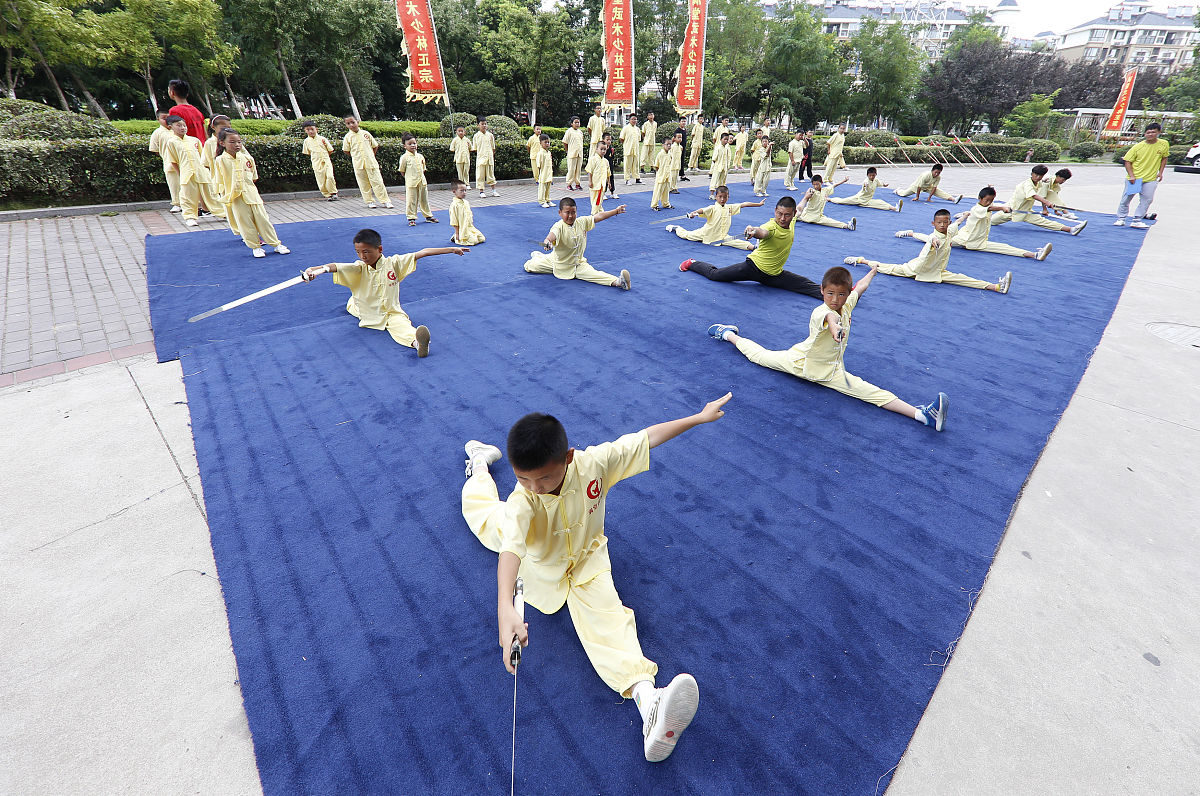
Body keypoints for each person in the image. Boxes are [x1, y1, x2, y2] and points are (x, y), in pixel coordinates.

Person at [460, 393, 734, 762]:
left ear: (568, 459)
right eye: (522, 477)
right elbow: (510, 550)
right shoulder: (522, 501)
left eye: (543, 478)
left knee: (609, 616)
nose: (534, 487)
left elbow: (644, 438)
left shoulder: (594, 463)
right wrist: (505, 609)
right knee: (479, 512)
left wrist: (697, 419)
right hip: (536, 560)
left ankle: (649, 702)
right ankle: (478, 464)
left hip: (588, 560)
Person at [705, 266, 949, 430]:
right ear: (821, 291)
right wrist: (835, 328)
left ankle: (923, 416)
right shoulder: (821, 311)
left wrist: (873, 270)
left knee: (870, 392)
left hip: (832, 370)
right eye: (830, 293)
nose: (835, 299)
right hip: (800, 363)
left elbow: (860, 287)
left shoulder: (848, 302)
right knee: (759, 356)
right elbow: (830, 320)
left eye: (840, 295)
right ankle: (727, 334)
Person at [300, 228, 468, 357]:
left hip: (390, 311)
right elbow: (334, 266)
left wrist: (451, 249)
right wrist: (314, 270)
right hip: (363, 309)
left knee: (401, 325)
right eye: (358, 252)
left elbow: (422, 252)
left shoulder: (394, 263)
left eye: (366, 251)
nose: (362, 256)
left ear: (379, 249)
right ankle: (354, 302)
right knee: (352, 305)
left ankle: (417, 343)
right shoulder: (358, 268)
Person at [679, 195, 822, 299]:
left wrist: (806, 197)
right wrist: (753, 231)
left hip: (774, 275)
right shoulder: (771, 227)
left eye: (787, 215)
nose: (782, 218)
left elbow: (800, 207)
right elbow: (762, 232)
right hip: (753, 268)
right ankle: (693, 263)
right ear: (775, 211)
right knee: (715, 275)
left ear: (793, 215)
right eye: (779, 214)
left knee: (807, 285)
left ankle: (838, 298)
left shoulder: (792, 220)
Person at [846, 208, 1010, 293]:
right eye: (939, 223)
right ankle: (862, 260)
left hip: (938, 270)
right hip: (916, 269)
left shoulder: (950, 230)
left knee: (961, 279)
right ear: (933, 224)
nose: (943, 225)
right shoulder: (934, 237)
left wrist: (965, 215)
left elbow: (956, 224)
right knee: (885, 268)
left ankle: (995, 287)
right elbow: (933, 239)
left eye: (945, 222)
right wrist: (935, 241)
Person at [898, 186, 1050, 261]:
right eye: (986, 200)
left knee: (1006, 248)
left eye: (991, 200)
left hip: (978, 240)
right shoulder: (978, 208)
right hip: (965, 240)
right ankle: (911, 233)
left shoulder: (982, 207)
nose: (989, 203)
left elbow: (988, 208)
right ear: (979, 199)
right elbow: (988, 208)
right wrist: (1002, 207)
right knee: (932, 239)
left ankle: (1035, 254)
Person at [212, 129, 290, 258]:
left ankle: (276, 244)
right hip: (235, 197)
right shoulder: (220, 160)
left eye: (239, 142)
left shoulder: (247, 158)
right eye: (232, 142)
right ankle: (255, 247)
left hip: (252, 194)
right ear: (222, 143)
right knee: (245, 223)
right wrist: (224, 196)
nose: (237, 145)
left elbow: (253, 177)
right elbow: (219, 180)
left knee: (263, 220)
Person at [523, 198, 631, 290]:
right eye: (567, 213)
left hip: (578, 264)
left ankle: (619, 282)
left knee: (593, 274)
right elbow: (550, 236)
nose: (570, 216)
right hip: (559, 263)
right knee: (529, 266)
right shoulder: (558, 226)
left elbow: (598, 216)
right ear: (560, 213)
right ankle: (538, 256)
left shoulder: (582, 222)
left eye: (573, 212)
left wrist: (616, 211)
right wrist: (547, 242)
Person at [164, 114, 224, 227]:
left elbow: (202, 157)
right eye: (179, 125)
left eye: (184, 125)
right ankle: (190, 216)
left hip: (201, 171)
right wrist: (180, 174)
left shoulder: (194, 140)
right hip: (186, 173)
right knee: (188, 196)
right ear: (171, 127)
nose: (182, 128)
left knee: (211, 193)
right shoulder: (171, 142)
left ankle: (223, 212)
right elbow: (173, 161)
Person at [991, 164, 1086, 235]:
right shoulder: (1027, 184)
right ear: (1031, 174)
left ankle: (1071, 229)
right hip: (1011, 209)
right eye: (1036, 175)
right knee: (991, 221)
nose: (1037, 178)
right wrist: (1047, 203)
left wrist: (1053, 208)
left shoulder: (1039, 182)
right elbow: (1033, 195)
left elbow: (1042, 187)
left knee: (1044, 222)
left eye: (1040, 176)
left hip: (1025, 211)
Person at [665, 185, 762, 249]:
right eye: (720, 197)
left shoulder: (730, 207)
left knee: (734, 241)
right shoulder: (712, 208)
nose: (722, 199)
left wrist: (758, 204)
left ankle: (753, 247)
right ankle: (676, 228)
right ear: (716, 197)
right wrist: (693, 213)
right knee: (686, 235)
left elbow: (744, 204)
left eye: (725, 197)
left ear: (728, 197)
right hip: (706, 234)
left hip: (722, 236)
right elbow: (702, 210)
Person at [1115, 123, 1170, 229]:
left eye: (1153, 132)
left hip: (1151, 178)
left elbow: (1164, 157)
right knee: (1126, 199)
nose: (1150, 134)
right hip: (1136, 178)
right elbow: (1127, 161)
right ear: (1145, 134)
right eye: (1148, 132)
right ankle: (1121, 218)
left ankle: (1137, 220)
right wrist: (1131, 176)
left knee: (1147, 199)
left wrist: (1160, 172)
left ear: (1158, 132)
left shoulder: (1164, 144)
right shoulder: (1138, 147)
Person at [342, 116, 392, 209]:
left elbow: (375, 146)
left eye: (353, 122)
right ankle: (370, 201)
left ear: (357, 122)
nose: (351, 125)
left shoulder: (366, 134)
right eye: (348, 123)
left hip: (371, 163)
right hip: (358, 164)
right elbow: (346, 150)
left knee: (378, 182)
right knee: (363, 184)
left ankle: (385, 201)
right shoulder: (347, 137)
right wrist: (355, 156)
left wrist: (371, 155)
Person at [398, 133, 437, 226]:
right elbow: (402, 171)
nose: (412, 145)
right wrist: (409, 178)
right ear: (405, 146)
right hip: (411, 183)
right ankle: (411, 218)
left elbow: (423, 169)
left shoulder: (420, 156)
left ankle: (428, 216)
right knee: (411, 200)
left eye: (414, 143)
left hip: (422, 182)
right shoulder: (404, 158)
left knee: (424, 199)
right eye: (410, 144)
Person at [148, 110, 182, 212]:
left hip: (183, 162)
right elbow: (155, 150)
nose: (167, 120)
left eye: (168, 117)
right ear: (158, 119)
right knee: (174, 184)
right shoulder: (157, 133)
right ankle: (177, 203)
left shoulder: (177, 130)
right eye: (163, 118)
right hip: (169, 163)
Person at [829, 167, 901, 212]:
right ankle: (830, 199)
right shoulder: (865, 181)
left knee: (880, 202)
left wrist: (884, 185)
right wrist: (865, 186)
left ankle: (895, 208)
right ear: (867, 175)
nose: (872, 177)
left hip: (868, 200)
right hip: (859, 199)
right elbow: (864, 186)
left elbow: (880, 183)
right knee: (842, 201)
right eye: (870, 175)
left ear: (876, 174)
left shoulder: (876, 180)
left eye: (873, 175)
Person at [301, 120, 338, 201]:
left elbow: (330, 150)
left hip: (326, 160)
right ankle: (327, 195)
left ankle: (333, 193)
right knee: (321, 179)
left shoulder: (322, 139)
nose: (310, 131)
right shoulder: (306, 141)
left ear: (316, 129)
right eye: (308, 130)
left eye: (312, 129)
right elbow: (307, 152)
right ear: (305, 131)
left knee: (330, 176)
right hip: (316, 162)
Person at [894, 163, 961, 204]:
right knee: (904, 194)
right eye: (936, 172)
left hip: (928, 187)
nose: (937, 174)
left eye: (939, 173)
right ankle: (897, 190)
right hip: (916, 186)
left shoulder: (938, 177)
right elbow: (919, 187)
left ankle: (953, 199)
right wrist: (917, 197)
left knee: (940, 192)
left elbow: (934, 188)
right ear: (932, 170)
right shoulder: (925, 175)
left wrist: (929, 198)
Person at [449, 179, 485, 245]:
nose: (464, 193)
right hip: (462, 229)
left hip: (469, 227)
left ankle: (467, 234)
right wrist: (457, 233)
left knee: (481, 238)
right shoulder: (454, 205)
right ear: (454, 191)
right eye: (461, 191)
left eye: (465, 190)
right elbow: (454, 220)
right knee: (473, 241)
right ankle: (455, 237)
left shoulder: (466, 202)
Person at [472, 117, 499, 198]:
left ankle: (494, 191)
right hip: (481, 159)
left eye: (485, 124)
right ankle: (481, 191)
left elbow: (493, 148)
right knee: (480, 176)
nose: (484, 126)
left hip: (489, 159)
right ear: (478, 125)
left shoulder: (490, 135)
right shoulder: (476, 136)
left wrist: (491, 156)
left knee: (491, 175)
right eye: (482, 124)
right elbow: (475, 149)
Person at [586, 140, 612, 214]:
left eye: (605, 149)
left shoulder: (606, 161)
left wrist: (609, 183)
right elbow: (590, 171)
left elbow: (608, 173)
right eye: (601, 149)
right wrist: (590, 181)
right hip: (595, 183)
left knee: (599, 199)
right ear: (596, 149)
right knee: (595, 199)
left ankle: (598, 211)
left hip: (602, 184)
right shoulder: (592, 159)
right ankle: (595, 213)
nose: (603, 151)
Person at [649, 140, 674, 211]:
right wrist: (660, 173)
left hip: (668, 176)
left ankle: (666, 203)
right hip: (661, 176)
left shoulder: (670, 154)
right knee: (658, 191)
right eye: (667, 144)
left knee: (666, 191)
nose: (669, 146)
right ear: (663, 145)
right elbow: (656, 166)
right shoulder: (660, 154)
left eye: (670, 144)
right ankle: (654, 205)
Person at [532, 133, 555, 208]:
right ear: (540, 143)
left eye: (548, 142)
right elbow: (538, 165)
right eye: (545, 142)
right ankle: (542, 201)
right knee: (542, 188)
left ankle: (547, 199)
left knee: (548, 188)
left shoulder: (548, 152)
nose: (547, 144)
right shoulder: (540, 153)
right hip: (543, 174)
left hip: (549, 173)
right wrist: (539, 175)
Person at [708, 131, 732, 199]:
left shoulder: (726, 148)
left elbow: (727, 158)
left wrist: (727, 166)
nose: (726, 141)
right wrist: (715, 166)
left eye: (727, 139)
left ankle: (721, 194)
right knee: (715, 179)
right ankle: (712, 194)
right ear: (721, 139)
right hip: (718, 166)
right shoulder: (718, 148)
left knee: (722, 181)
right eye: (725, 139)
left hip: (724, 167)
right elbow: (714, 158)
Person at [563, 116, 585, 190]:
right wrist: (567, 151)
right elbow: (565, 142)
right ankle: (569, 184)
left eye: (578, 122)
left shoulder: (580, 132)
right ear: (572, 123)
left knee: (578, 170)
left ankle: (577, 183)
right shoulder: (569, 131)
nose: (577, 124)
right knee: (571, 170)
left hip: (579, 154)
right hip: (572, 154)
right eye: (575, 122)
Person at [750, 130, 773, 197]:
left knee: (766, 180)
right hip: (762, 166)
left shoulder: (769, 147)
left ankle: (764, 191)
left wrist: (770, 146)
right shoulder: (761, 149)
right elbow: (766, 155)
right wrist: (770, 146)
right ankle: (757, 191)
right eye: (763, 142)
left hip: (768, 166)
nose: (765, 143)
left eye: (766, 141)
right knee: (759, 179)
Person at [620, 114, 641, 185]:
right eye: (632, 119)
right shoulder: (625, 128)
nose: (634, 121)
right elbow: (621, 138)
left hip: (636, 149)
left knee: (636, 165)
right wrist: (626, 145)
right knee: (627, 165)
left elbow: (639, 139)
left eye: (635, 119)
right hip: (628, 149)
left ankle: (637, 178)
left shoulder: (637, 129)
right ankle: (627, 179)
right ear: (629, 120)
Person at [638, 111, 656, 179]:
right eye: (649, 115)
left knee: (652, 155)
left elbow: (654, 132)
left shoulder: (655, 123)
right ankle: (642, 168)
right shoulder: (645, 124)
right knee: (644, 154)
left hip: (652, 141)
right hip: (646, 141)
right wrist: (645, 139)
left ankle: (652, 167)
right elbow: (643, 132)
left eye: (652, 115)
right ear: (648, 117)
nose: (651, 116)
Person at [602, 132, 619, 198]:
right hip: (603, 166)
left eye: (610, 140)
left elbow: (612, 158)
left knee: (611, 178)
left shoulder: (611, 149)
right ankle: (603, 193)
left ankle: (612, 192)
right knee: (604, 179)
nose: (609, 141)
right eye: (607, 140)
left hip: (610, 166)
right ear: (603, 140)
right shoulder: (602, 149)